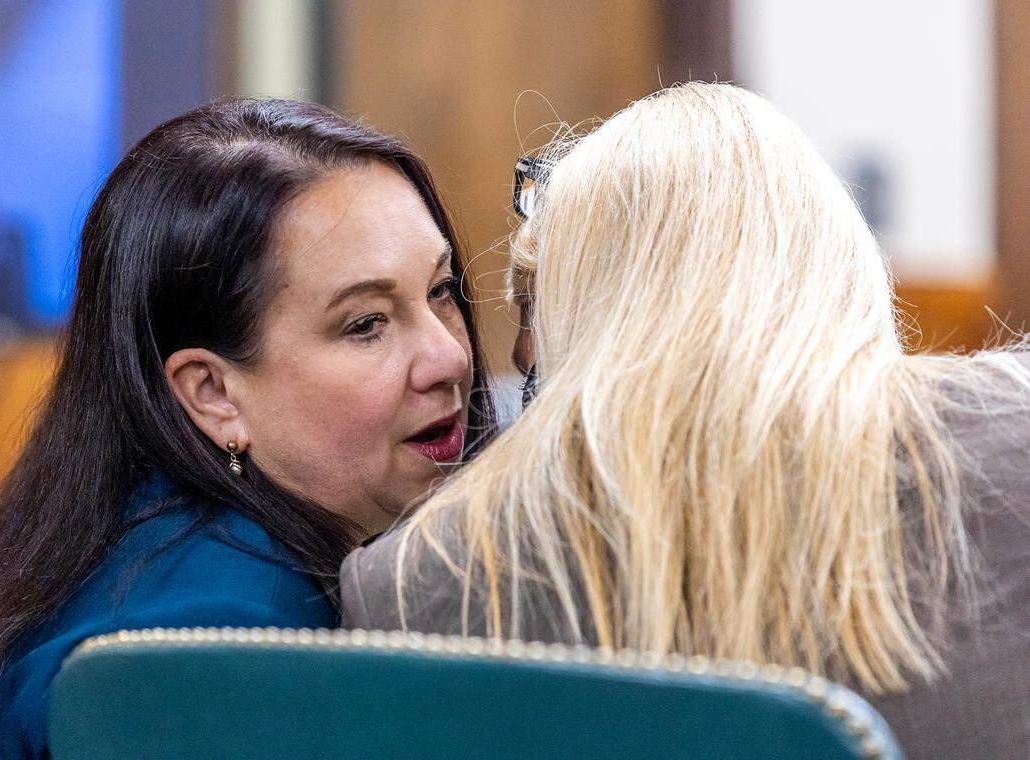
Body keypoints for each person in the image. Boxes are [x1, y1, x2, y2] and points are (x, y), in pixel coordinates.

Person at [340, 83, 1030, 758]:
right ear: (837, 261)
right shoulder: (1012, 440)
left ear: (575, 321)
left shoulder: (416, 585)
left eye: (532, 303)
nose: (517, 353)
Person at [0, 98, 496, 758]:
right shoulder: (213, 641)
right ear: (214, 393)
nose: (449, 356)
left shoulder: (167, 548)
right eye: (365, 324)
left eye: (441, 290)